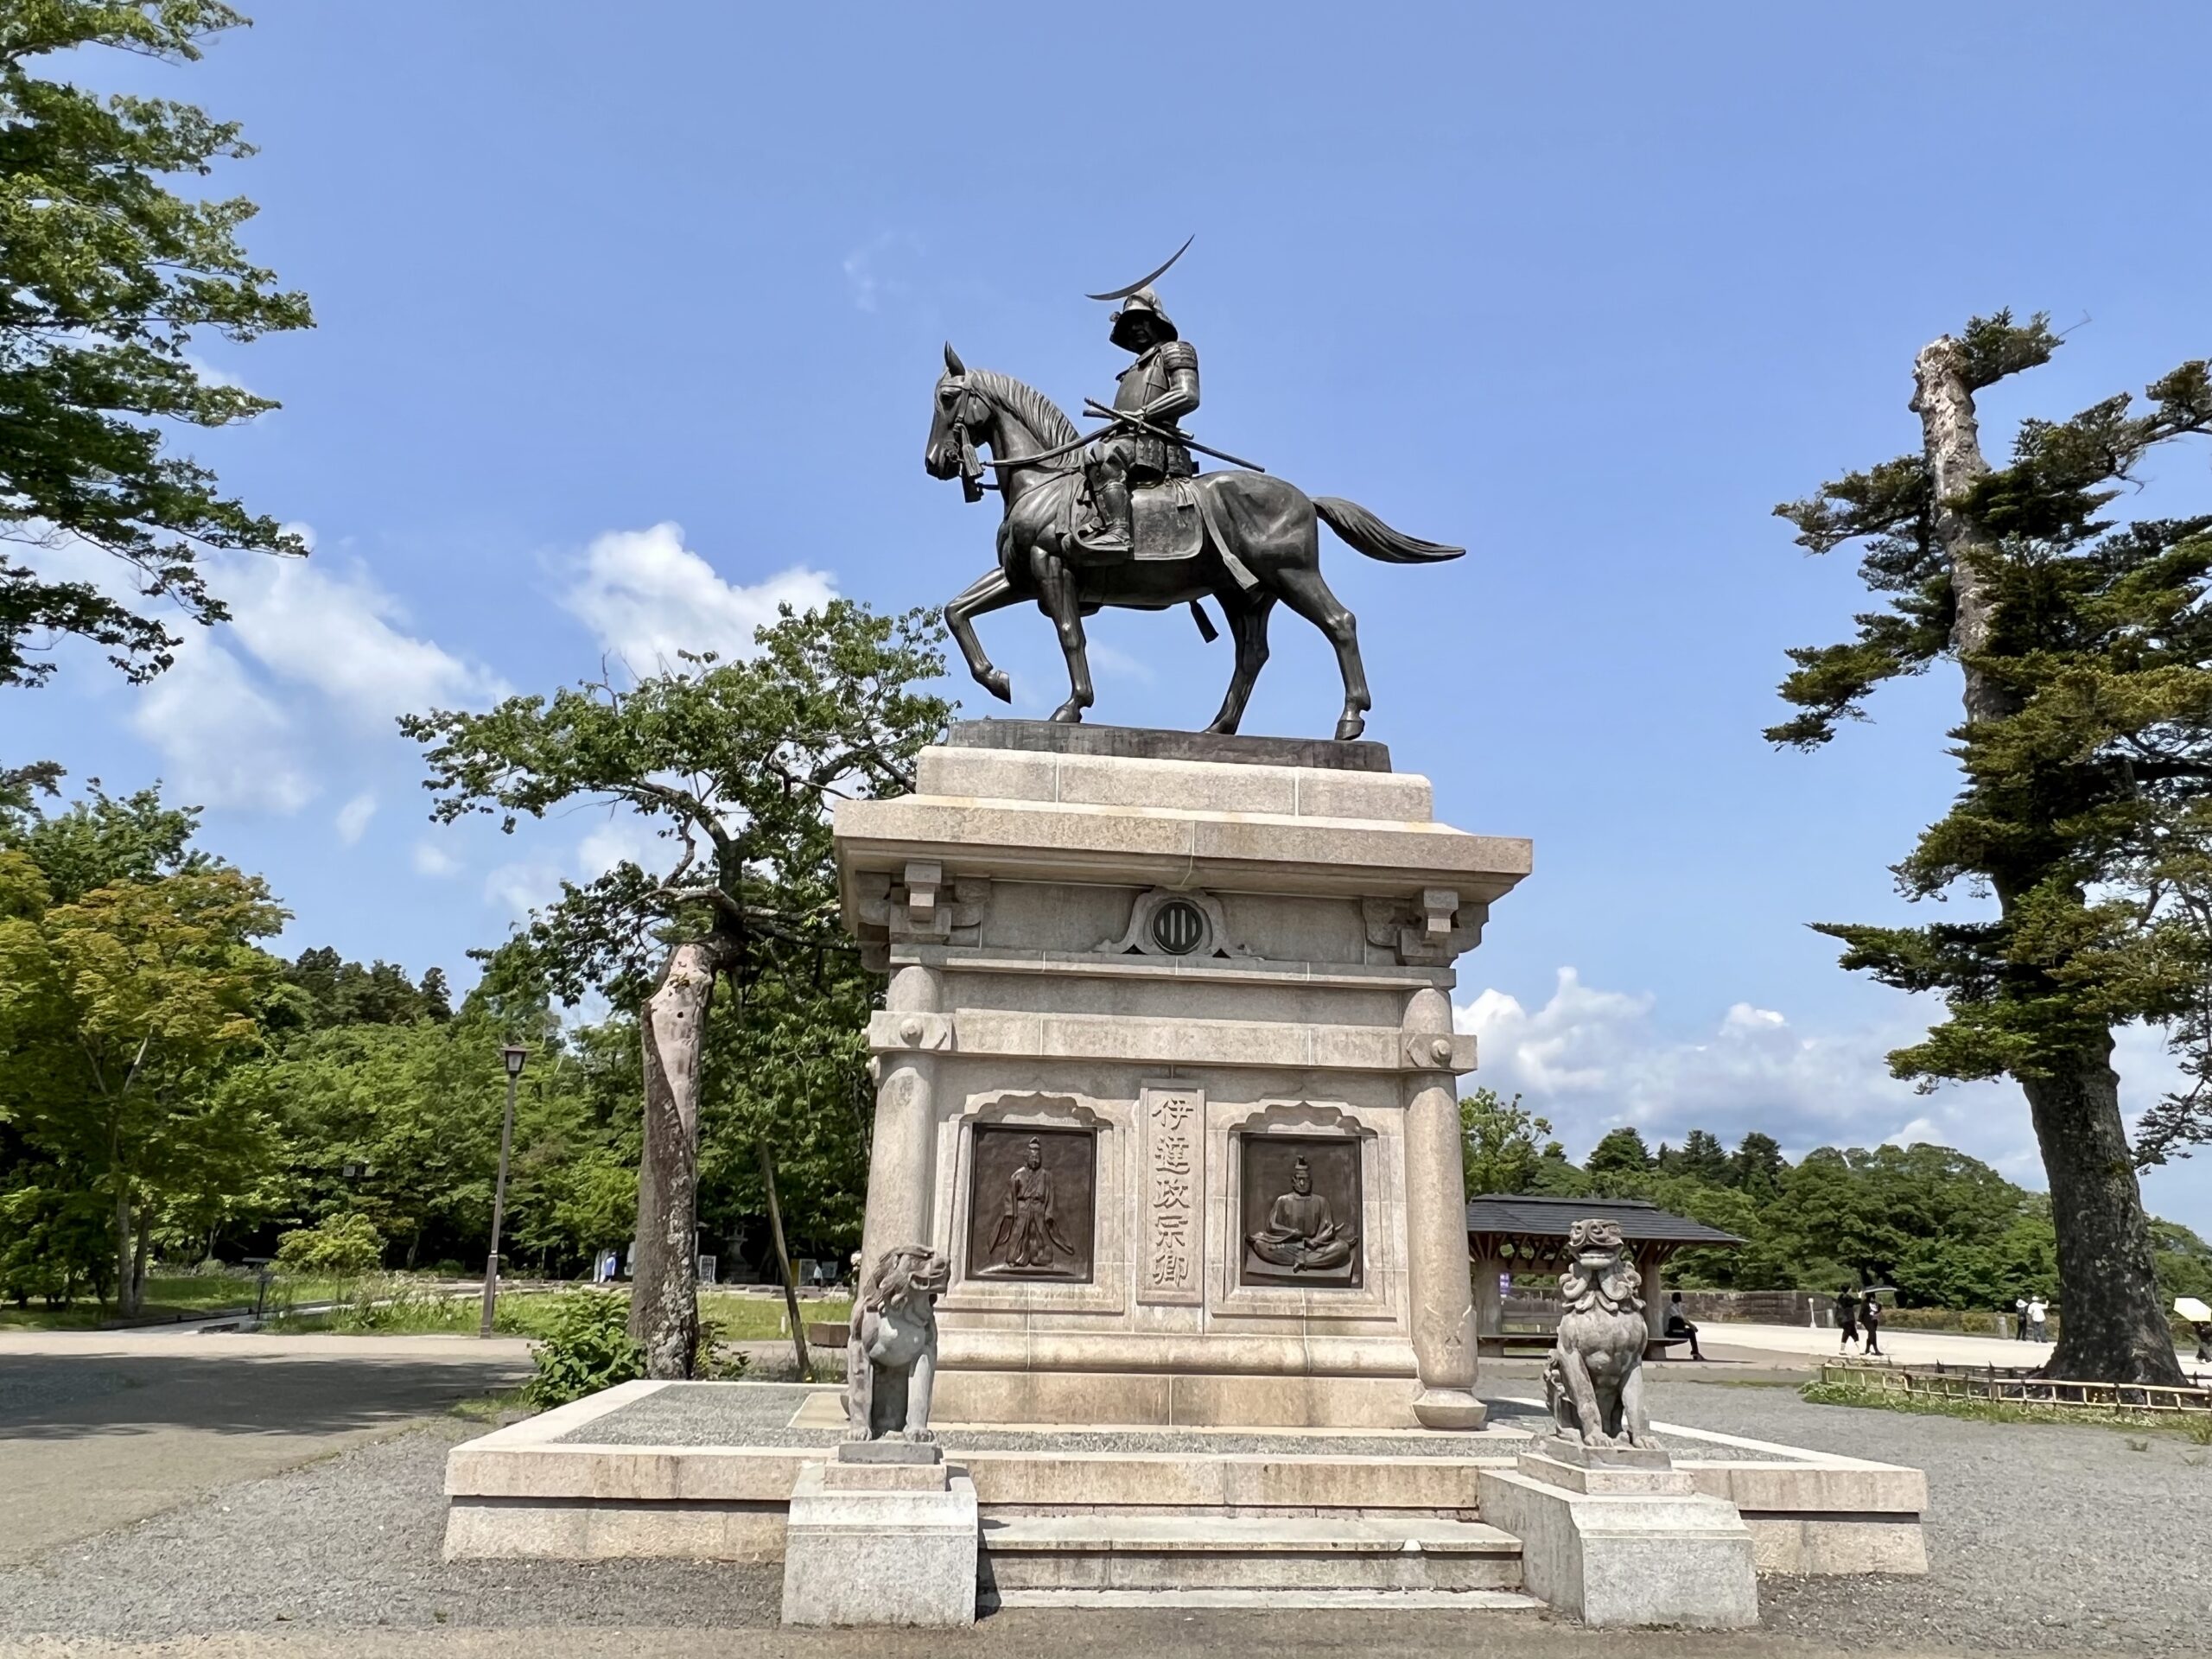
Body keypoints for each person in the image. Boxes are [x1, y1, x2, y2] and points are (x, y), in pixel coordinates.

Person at [1078, 286, 1199, 556]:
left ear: (1157, 322)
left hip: (1154, 444)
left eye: (1142, 320)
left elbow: (1187, 394)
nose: (1136, 329)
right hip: (1127, 440)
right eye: (1129, 325)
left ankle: (1119, 532)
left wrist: (1145, 413)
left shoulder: (1174, 351)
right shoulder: (1131, 371)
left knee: (1105, 456)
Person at [1665, 1290, 1705, 1360]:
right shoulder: (1672, 1308)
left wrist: (1691, 1325)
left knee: (1691, 1331)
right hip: (1670, 1331)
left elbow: (1683, 1319)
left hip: (1675, 1330)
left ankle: (1695, 1351)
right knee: (1691, 1332)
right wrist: (1692, 1326)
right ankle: (1695, 1352)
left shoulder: (1675, 1307)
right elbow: (1682, 1319)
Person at [1834, 1285, 1862, 1352]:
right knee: (1846, 1333)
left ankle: (1860, 1349)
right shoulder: (1846, 1298)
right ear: (1847, 1291)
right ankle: (1842, 1350)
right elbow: (1856, 1301)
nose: (1851, 1291)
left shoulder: (1841, 1298)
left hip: (1844, 1318)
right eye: (1850, 1290)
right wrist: (1860, 1296)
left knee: (1854, 1334)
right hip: (1847, 1318)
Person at [1860, 1291, 1884, 1357]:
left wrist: (1880, 1305)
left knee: (1872, 1335)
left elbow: (1877, 1311)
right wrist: (1859, 1320)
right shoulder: (1865, 1303)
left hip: (1874, 1320)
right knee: (1872, 1334)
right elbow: (1862, 1312)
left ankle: (1869, 1350)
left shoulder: (1874, 1303)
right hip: (1867, 1320)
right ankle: (1874, 1350)